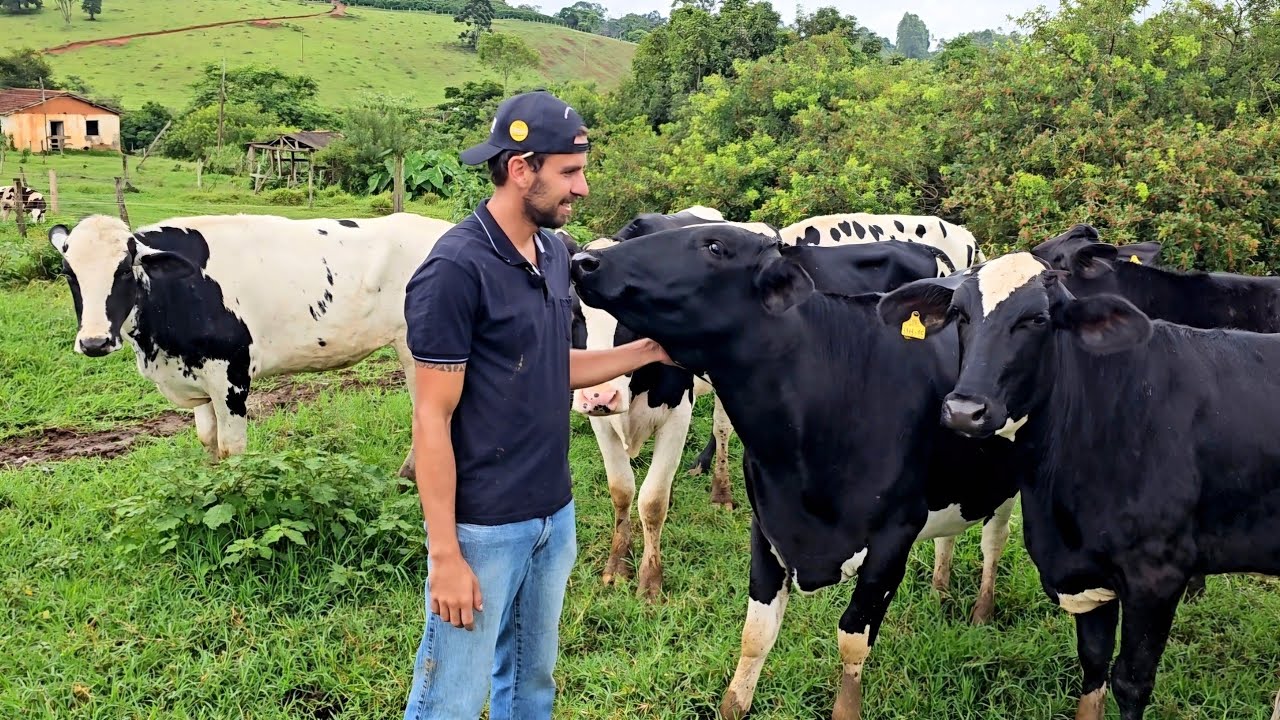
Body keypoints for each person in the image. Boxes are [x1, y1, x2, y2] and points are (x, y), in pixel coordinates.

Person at [400, 90, 673, 719]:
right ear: (521, 168)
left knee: (531, 684)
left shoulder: (554, 255)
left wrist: (648, 351)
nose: (581, 188)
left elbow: (553, 365)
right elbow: (431, 417)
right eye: (569, 172)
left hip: (553, 513)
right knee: (452, 697)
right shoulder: (455, 269)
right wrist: (446, 555)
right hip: (483, 527)